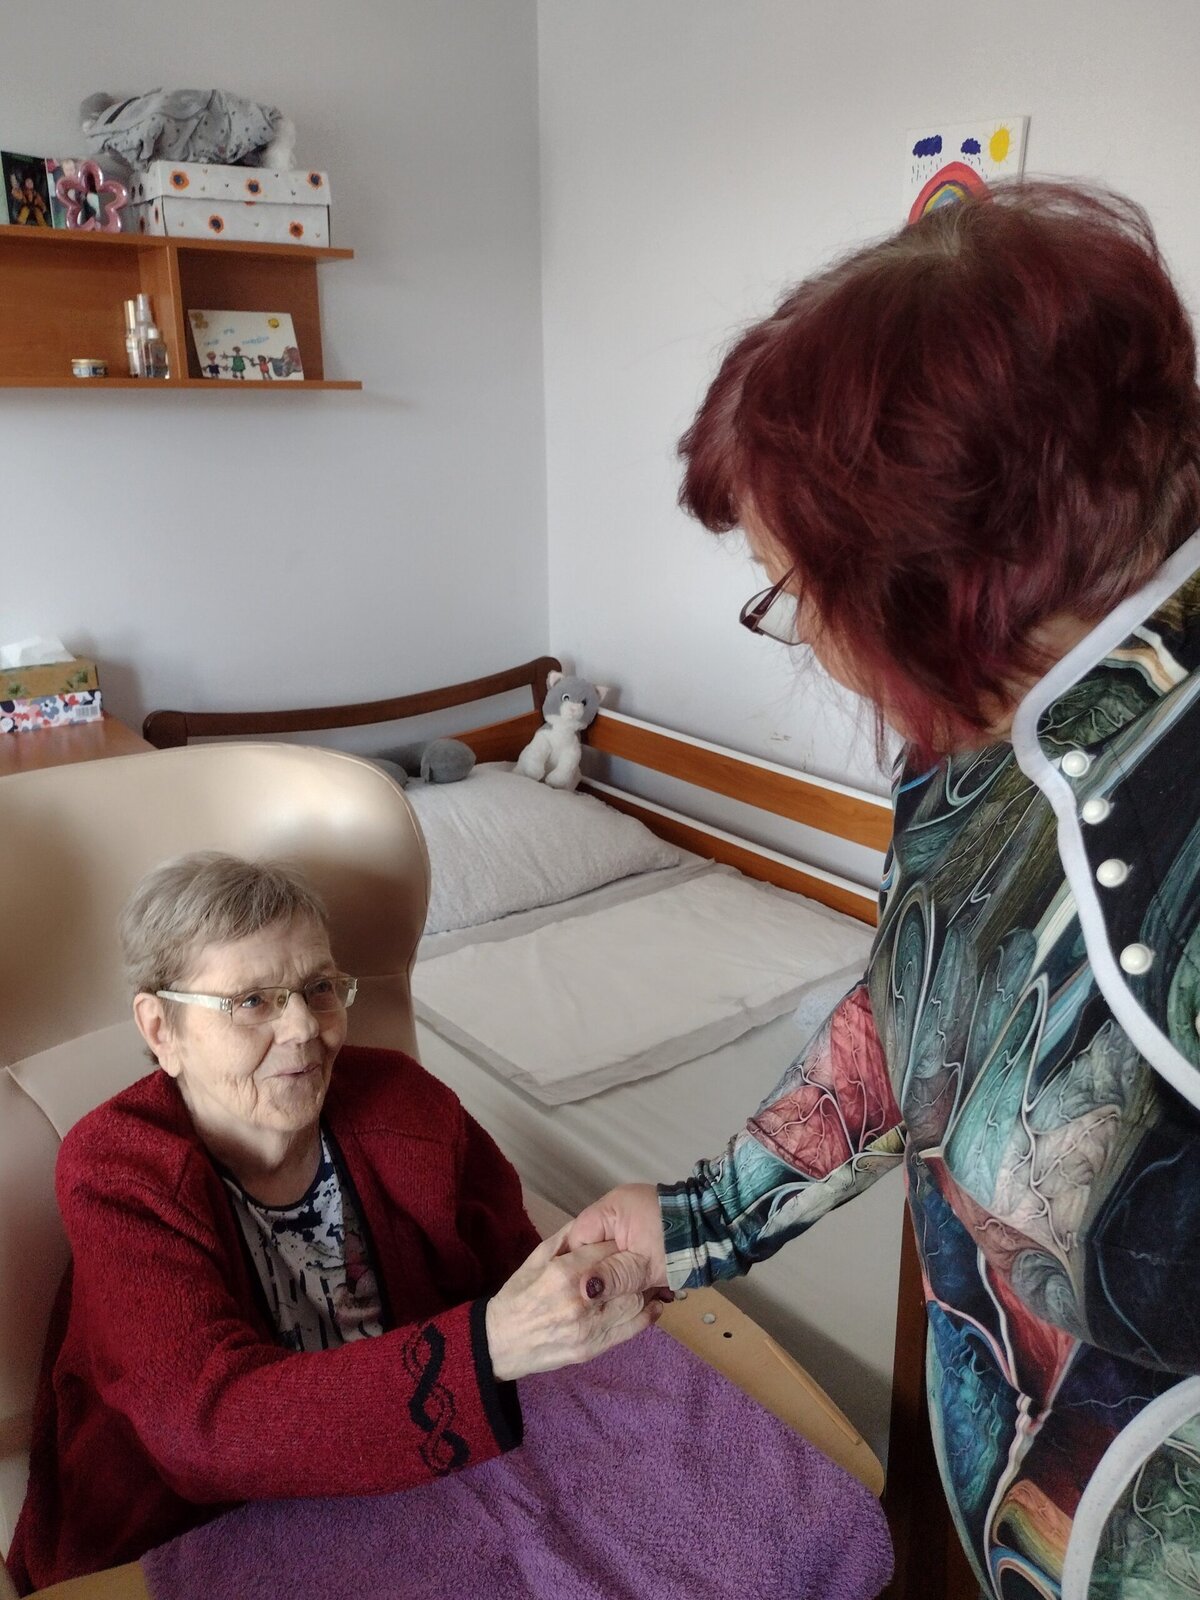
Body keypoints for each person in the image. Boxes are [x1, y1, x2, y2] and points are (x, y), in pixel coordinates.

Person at [567, 183, 1200, 1600]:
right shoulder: (979, 740)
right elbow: (926, 998)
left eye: (795, 593)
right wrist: (702, 1217)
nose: (801, 635)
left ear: (944, 579)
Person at [8, 852, 656, 1595]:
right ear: (163, 1030)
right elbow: (201, 1430)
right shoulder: (116, 1169)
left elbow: (514, 1267)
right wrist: (491, 1344)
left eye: (319, 988)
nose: (303, 1029)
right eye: (252, 1001)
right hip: (194, 1529)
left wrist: (604, 1249)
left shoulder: (408, 1105)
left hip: (416, 1491)